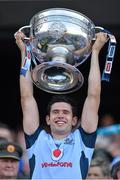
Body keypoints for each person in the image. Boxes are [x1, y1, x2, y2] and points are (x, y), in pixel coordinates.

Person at [15, 31, 107, 179]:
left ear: (74, 120)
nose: (60, 115)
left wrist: (95, 52)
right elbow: (26, 98)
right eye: (55, 112)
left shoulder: (82, 140)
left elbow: (93, 96)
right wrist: (25, 52)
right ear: (48, 119)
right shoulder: (37, 140)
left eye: (65, 112)